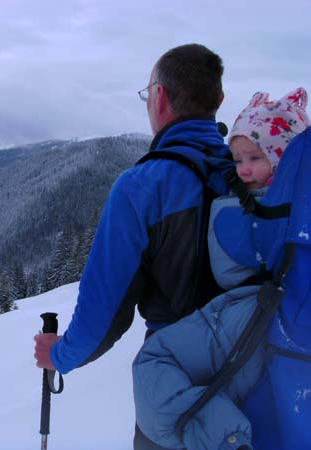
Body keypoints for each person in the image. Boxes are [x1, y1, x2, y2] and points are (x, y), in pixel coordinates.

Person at [33, 43, 233, 450]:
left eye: (147, 94)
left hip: (173, 383)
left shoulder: (143, 186)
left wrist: (59, 356)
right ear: (219, 100)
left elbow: (103, 317)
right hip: (251, 373)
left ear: (159, 96)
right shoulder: (249, 174)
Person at [132, 88, 310, 450]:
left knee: (153, 366)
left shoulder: (263, 219)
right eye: (237, 159)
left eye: (255, 158)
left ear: (284, 159)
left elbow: (228, 269)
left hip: (250, 321)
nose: (243, 170)